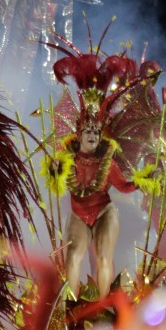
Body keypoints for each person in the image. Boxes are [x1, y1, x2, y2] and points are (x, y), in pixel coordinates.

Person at [58, 112, 136, 301]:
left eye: (96, 132)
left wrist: (142, 182)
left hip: (103, 213)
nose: (93, 135)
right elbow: (56, 182)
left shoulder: (107, 162)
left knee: (102, 258)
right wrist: (55, 170)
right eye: (88, 131)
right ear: (79, 136)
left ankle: (102, 306)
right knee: (73, 258)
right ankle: (71, 306)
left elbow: (124, 187)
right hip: (78, 215)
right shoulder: (68, 161)